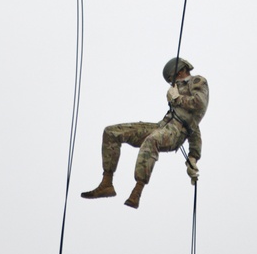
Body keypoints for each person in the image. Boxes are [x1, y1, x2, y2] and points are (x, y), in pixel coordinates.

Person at [81, 57, 208, 209]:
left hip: (176, 131)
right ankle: (106, 183)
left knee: (151, 140)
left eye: (171, 77)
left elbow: (198, 107)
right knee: (112, 132)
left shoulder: (197, 81)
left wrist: (193, 156)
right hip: (162, 126)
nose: (171, 82)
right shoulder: (176, 89)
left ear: (180, 70)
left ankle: (137, 191)